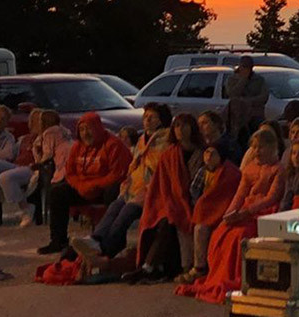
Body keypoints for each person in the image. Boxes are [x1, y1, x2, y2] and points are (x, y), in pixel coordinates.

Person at [176, 126, 286, 303]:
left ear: (272, 147)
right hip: (245, 209)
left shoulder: (278, 169)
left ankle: (239, 277)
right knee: (221, 233)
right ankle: (214, 275)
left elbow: (272, 197)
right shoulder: (250, 168)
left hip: (264, 212)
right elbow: (240, 194)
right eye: (255, 147)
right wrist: (229, 215)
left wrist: (246, 212)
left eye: (261, 147)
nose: (257, 151)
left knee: (239, 236)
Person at [78, 106, 169, 262]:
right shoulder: (142, 140)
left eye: (152, 117)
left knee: (126, 213)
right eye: (145, 116)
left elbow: (156, 166)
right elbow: (135, 165)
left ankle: (106, 249)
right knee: (114, 207)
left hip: (151, 189)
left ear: (161, 120)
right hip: (133, 186)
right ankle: (96, 238)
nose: (147, 120)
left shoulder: (165, 140)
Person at [40, 113, 129, 256]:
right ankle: (58, 241)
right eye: (82, 130)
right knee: (57, 192)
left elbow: (118, 174)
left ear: (98, 128)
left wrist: (94, 185)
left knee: (114, 192)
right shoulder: (77, 147)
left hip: (104, 189)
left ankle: (112, 241)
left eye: (89, 128)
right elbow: (70, 173)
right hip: (84, 188)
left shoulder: (113, 144)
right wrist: (81, 187)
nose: (85, 133)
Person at [133, 111, 200, 282]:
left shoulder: (202, 153)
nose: (180, 129)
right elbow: (162, 183)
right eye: (176, 125)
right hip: (169, 199)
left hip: (194, 200)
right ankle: (151, 266)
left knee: (172, 221)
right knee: (163, 219)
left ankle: (154, 267)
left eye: (184, 125)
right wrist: (170, 202)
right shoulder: (169, 154)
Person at [177, 142, 241, 285]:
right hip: (203, 210)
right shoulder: (202, 172)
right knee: (183, 225)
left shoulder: (230, 173)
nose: (209, 157)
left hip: (220, 212)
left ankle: (199, 268)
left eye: (213, 153)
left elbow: (225, 196)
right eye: (206, 153)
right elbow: (195, 192)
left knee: (201, 229)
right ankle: (187, 266)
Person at [0, 109, 71, 227]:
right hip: (16, 165)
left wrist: (37, 155)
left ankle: (26, 209)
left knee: (4, 177)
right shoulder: (24, 138)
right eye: (33, 121)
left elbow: (46, 155)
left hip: (32, 168)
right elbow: (12, 154)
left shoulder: (48, 135)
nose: (36, 123)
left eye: (39, 120)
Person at [223, 59, 269, 147]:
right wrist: (243, 79)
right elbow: (232, 94)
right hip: (236, 118)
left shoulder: (259, 80)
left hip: (255, 115)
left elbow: (264, 96)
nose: (245, 69)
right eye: (243, 67)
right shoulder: (232, 79)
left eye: (248, 67)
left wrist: (249, 101)